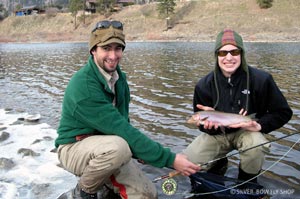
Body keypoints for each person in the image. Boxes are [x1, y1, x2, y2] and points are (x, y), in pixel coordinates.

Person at [54, 20, 200, 199]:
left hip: (107, 146)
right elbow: (121, 130)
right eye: (106, 48)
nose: (113, 55)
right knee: (120, 148)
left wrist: (142, 153)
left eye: (118, 48)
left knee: (147, 195)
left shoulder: (118, 78)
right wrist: (171, 160)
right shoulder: (84, 86)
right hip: (74, 147)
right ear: (93, 50)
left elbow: (123, 122)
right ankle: (83, 191)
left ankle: (107, 186)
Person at [183, 29, 292, 183]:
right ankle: (219, 163)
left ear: (242, 54)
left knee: (256, 146)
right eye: (222, 53)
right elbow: (202, 127)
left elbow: (283, 112)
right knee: (188, 162)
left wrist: (259, 125)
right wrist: (208, 126)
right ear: (216, 56)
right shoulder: (203, 85)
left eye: (234, 52)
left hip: (247, 133)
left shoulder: (262, 80)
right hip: (217, 136)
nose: (229, 57)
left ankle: (247, 181)